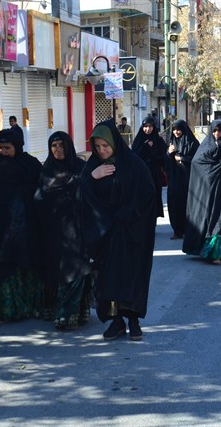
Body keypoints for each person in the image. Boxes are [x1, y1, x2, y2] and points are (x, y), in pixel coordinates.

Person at [80, 120, 156, 341]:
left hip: (132, 233)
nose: (102, 151)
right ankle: (116, 322)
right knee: (109, 279)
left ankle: (133, 321)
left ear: (114, 143)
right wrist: (92, 178)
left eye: (106, 146)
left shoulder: (133, 165)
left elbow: (147, 195)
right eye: (97, 147)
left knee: (132, 277)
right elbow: (81, 195)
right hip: (106, 235)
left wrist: (127, 214)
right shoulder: (92, 166)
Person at [0, 128, 43, 322]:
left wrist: (22, 196)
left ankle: (28, 307)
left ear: (17, 146)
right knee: (0, 266)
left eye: (7, 148)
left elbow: (40, 190)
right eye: (0, 147)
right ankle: (2, 310)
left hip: (24, 229)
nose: (3, 152)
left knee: (24, 265)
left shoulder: (30, 164)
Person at [34, 131, 91, 330]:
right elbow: (39, 198)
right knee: (56, 270)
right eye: (53, 146)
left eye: (61, 145)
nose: (58, 150)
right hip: (54, 231)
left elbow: (90, 193)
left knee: (76, 269)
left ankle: (73, 313)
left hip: (77, 228)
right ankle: (59, 311)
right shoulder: (47, 170)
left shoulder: (81, 167)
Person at [182, 119, 221, 265]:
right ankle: (211, 252)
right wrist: (215, 167)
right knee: (211, 219)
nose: (217, 133)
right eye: (214, 131)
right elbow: (197, 163)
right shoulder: (205, 146)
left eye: (220, 131)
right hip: (209, 191)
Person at [166, 119, 200, 240]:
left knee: (187, 204)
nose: (176, 132)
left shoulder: (192, 143)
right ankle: (177, 230)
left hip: (188, 180)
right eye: (174, 130)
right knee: (174, 204)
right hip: (175, 179)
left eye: (179, 129)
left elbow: (197, 160)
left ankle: (188, 230)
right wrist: (169, 154)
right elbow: (166, 163)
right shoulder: (171, 142)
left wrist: (182, 159)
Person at [132, 116, 168, 219]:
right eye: (145, 126)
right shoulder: (138, 140)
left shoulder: (158, 140)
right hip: (141, 175)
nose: (148, 129)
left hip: (155, 174)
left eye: (150, 126)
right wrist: (145, 147)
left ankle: (153, 221)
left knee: (154, 197)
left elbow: (164, 156)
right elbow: (134, 156)